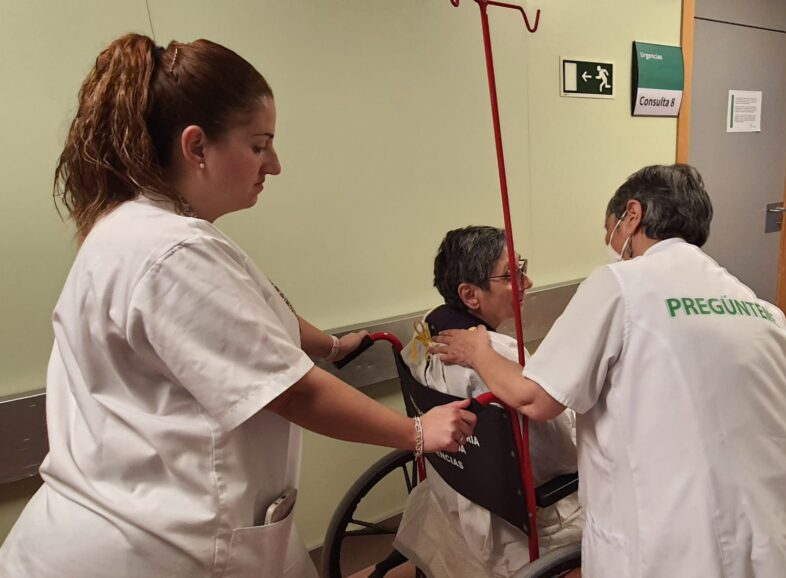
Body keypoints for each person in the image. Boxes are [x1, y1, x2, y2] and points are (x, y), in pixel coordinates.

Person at [0, 34, 475, 578]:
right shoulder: (175, 252)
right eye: (259, 145)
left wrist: (331, 345)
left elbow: (248, 315)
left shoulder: (128, 230)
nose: (274, 165)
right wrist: (417, 433)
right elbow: (293, 392)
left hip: (107, 527)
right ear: (197, 146)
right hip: (150, 549)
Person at [433, 164, 786, 578]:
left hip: (690, 531)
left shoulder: (619, 284)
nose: (610, 243)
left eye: (610, 230)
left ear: (632, 215)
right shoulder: (759, 306)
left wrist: (477, 350)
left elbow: (534, 398)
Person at [393, 226, 583, 577]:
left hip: (457, 483)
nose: (527, 283)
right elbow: (559, 453)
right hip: (522, 510)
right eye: (512, 275)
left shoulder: (427, 329)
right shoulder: (500, 356)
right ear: (470, 294)